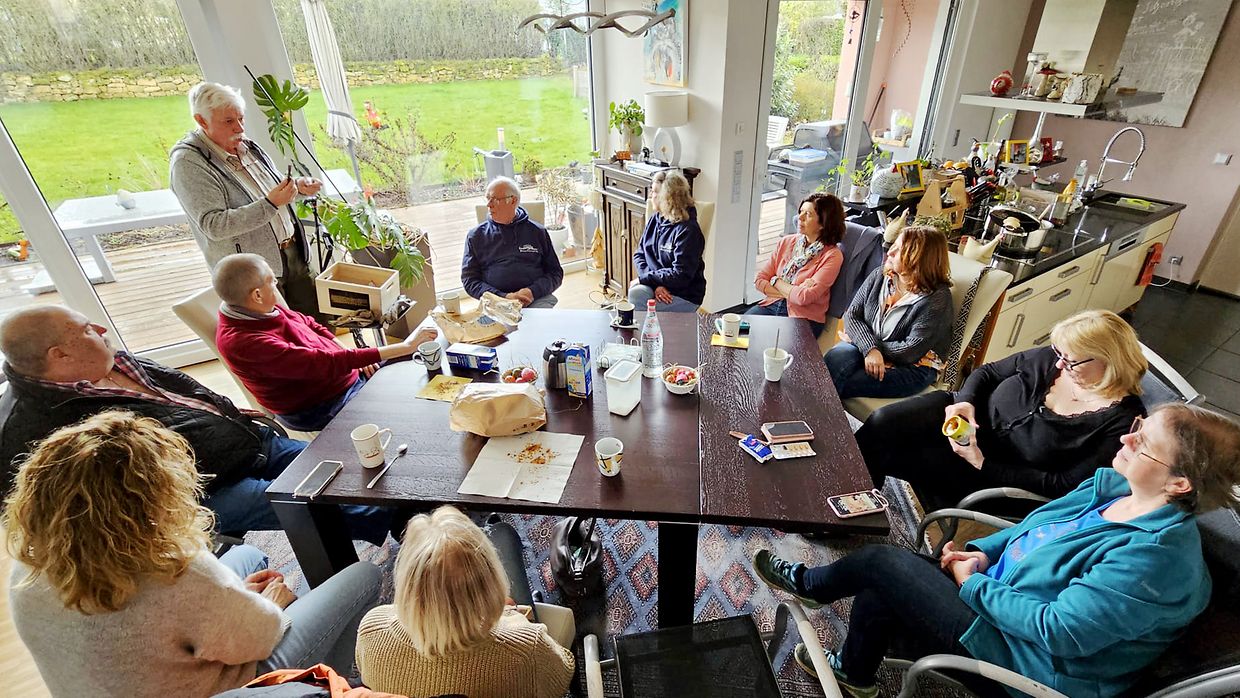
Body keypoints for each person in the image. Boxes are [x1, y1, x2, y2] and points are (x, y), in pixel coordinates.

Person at [753, 404, 1240, 698]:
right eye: (1138, 425)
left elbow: (1058, 632)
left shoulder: (1155, 561)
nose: (1126, 438)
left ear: (1179, 483)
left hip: (1028, 663)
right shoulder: (1113, 487)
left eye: (1144, 442)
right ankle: (854, 674)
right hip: (999, 599)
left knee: (884, 563)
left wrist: (974, 585)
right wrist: (983, 553)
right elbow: (1032, 527)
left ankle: (809, 585)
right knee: (887, 582)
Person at [4, 412, 382, 698]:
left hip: (128, 680)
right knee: (363, 575)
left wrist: (229, 603)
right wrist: (272, 603)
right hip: (224, 690)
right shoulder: (173, 571)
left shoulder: (25, 570)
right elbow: (260, 638)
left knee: (248, 555)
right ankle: (329, 684)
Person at [0, 305, 390, 543]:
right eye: (87, 329)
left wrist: (233, 414)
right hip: (204, 490)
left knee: (353, 469)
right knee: (319, 506)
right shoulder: (30, 432)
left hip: (248, 441)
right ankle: (404, 537)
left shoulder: (113, 359)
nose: (102, 329)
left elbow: (189, 395)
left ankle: (401, 515)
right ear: (59, 355)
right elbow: (50, 519)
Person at [859, 309, 1147, 512]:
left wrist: (982, 463)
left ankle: (858, 513)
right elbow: (987, 373)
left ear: (1109, 361)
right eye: (1059, 354)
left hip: (991, 471)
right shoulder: (1052, 359)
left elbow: (1063, 485)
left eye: (1071, 361)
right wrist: (965, 402)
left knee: (893, 450)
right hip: (962, 416)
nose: (1059, 364)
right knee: (882, 422)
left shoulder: (1121, 422)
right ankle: (852, 501)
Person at [356, 506, 575, 698]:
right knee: (503, 533)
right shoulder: (526, 647)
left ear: (406, 582)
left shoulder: (372, 627)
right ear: (491, 583)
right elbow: (562, 676)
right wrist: (513, 618)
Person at [212, 254, 438, 432]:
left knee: (418, 365)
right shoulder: (244, 343)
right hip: (318, 406)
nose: (277, 284)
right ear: (257, 295)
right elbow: (321, 363)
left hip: (342, 375)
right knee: (404, 407)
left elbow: (311, 325)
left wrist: (348, 355)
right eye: (272, 281)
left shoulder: (258, 308)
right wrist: (406, 346)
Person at [170, 81, 322, 316]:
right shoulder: (188, 163)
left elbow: (271, 188)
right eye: (228, 121)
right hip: (252, 274)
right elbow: (214, 225)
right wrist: (271, 204)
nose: (239, 127)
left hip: (293, 254)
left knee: (316, 322)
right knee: (280, 332)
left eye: (241, 118)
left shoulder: (245, 146)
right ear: (201, 121)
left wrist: (297, 187)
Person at [824, 225, 953, 399]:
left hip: (913, 366)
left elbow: (910, 350)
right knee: (831, 363)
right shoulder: (880, 275)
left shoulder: (938, 298)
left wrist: (867, 344)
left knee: (838, 382)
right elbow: (852, 315)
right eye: (894, 246)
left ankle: (819, 415)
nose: (890, 251)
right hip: (869, 347)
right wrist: (870, 349)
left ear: (918, 259)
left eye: (899, 249)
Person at [746, 192, 846, 337]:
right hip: (772, 305)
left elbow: (804, 298)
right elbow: (760, 280)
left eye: (808, 214)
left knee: (770, 344)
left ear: (823, 223)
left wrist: (775, 280)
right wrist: (793, 291)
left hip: (804, 318)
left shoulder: (832, 256)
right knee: (735, 331)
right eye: (801, 211)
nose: (800, 217)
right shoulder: (786, 242)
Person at [461, 176, 564, 309]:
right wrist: (503, 297)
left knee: (540, 321)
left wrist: (532, 292)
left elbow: (555, 273)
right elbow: (470, 280)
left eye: (495, 199)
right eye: (488, 198)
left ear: (513, 200)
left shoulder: (537, 232)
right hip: (496, 302)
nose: (489, 205)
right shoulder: (476, 236)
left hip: (536, 299)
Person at [628, 169, 707, 312]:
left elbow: (681, 275)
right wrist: (655, 284)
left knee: (642, 309)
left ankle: (647, 327)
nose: (651, 195)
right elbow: (639, 255)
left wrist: (648, 279)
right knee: (636, 294)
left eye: (655, 192)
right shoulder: (656, 218)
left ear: (668, 198)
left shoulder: (688, 230)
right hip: (658, 284)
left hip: (683, 294)